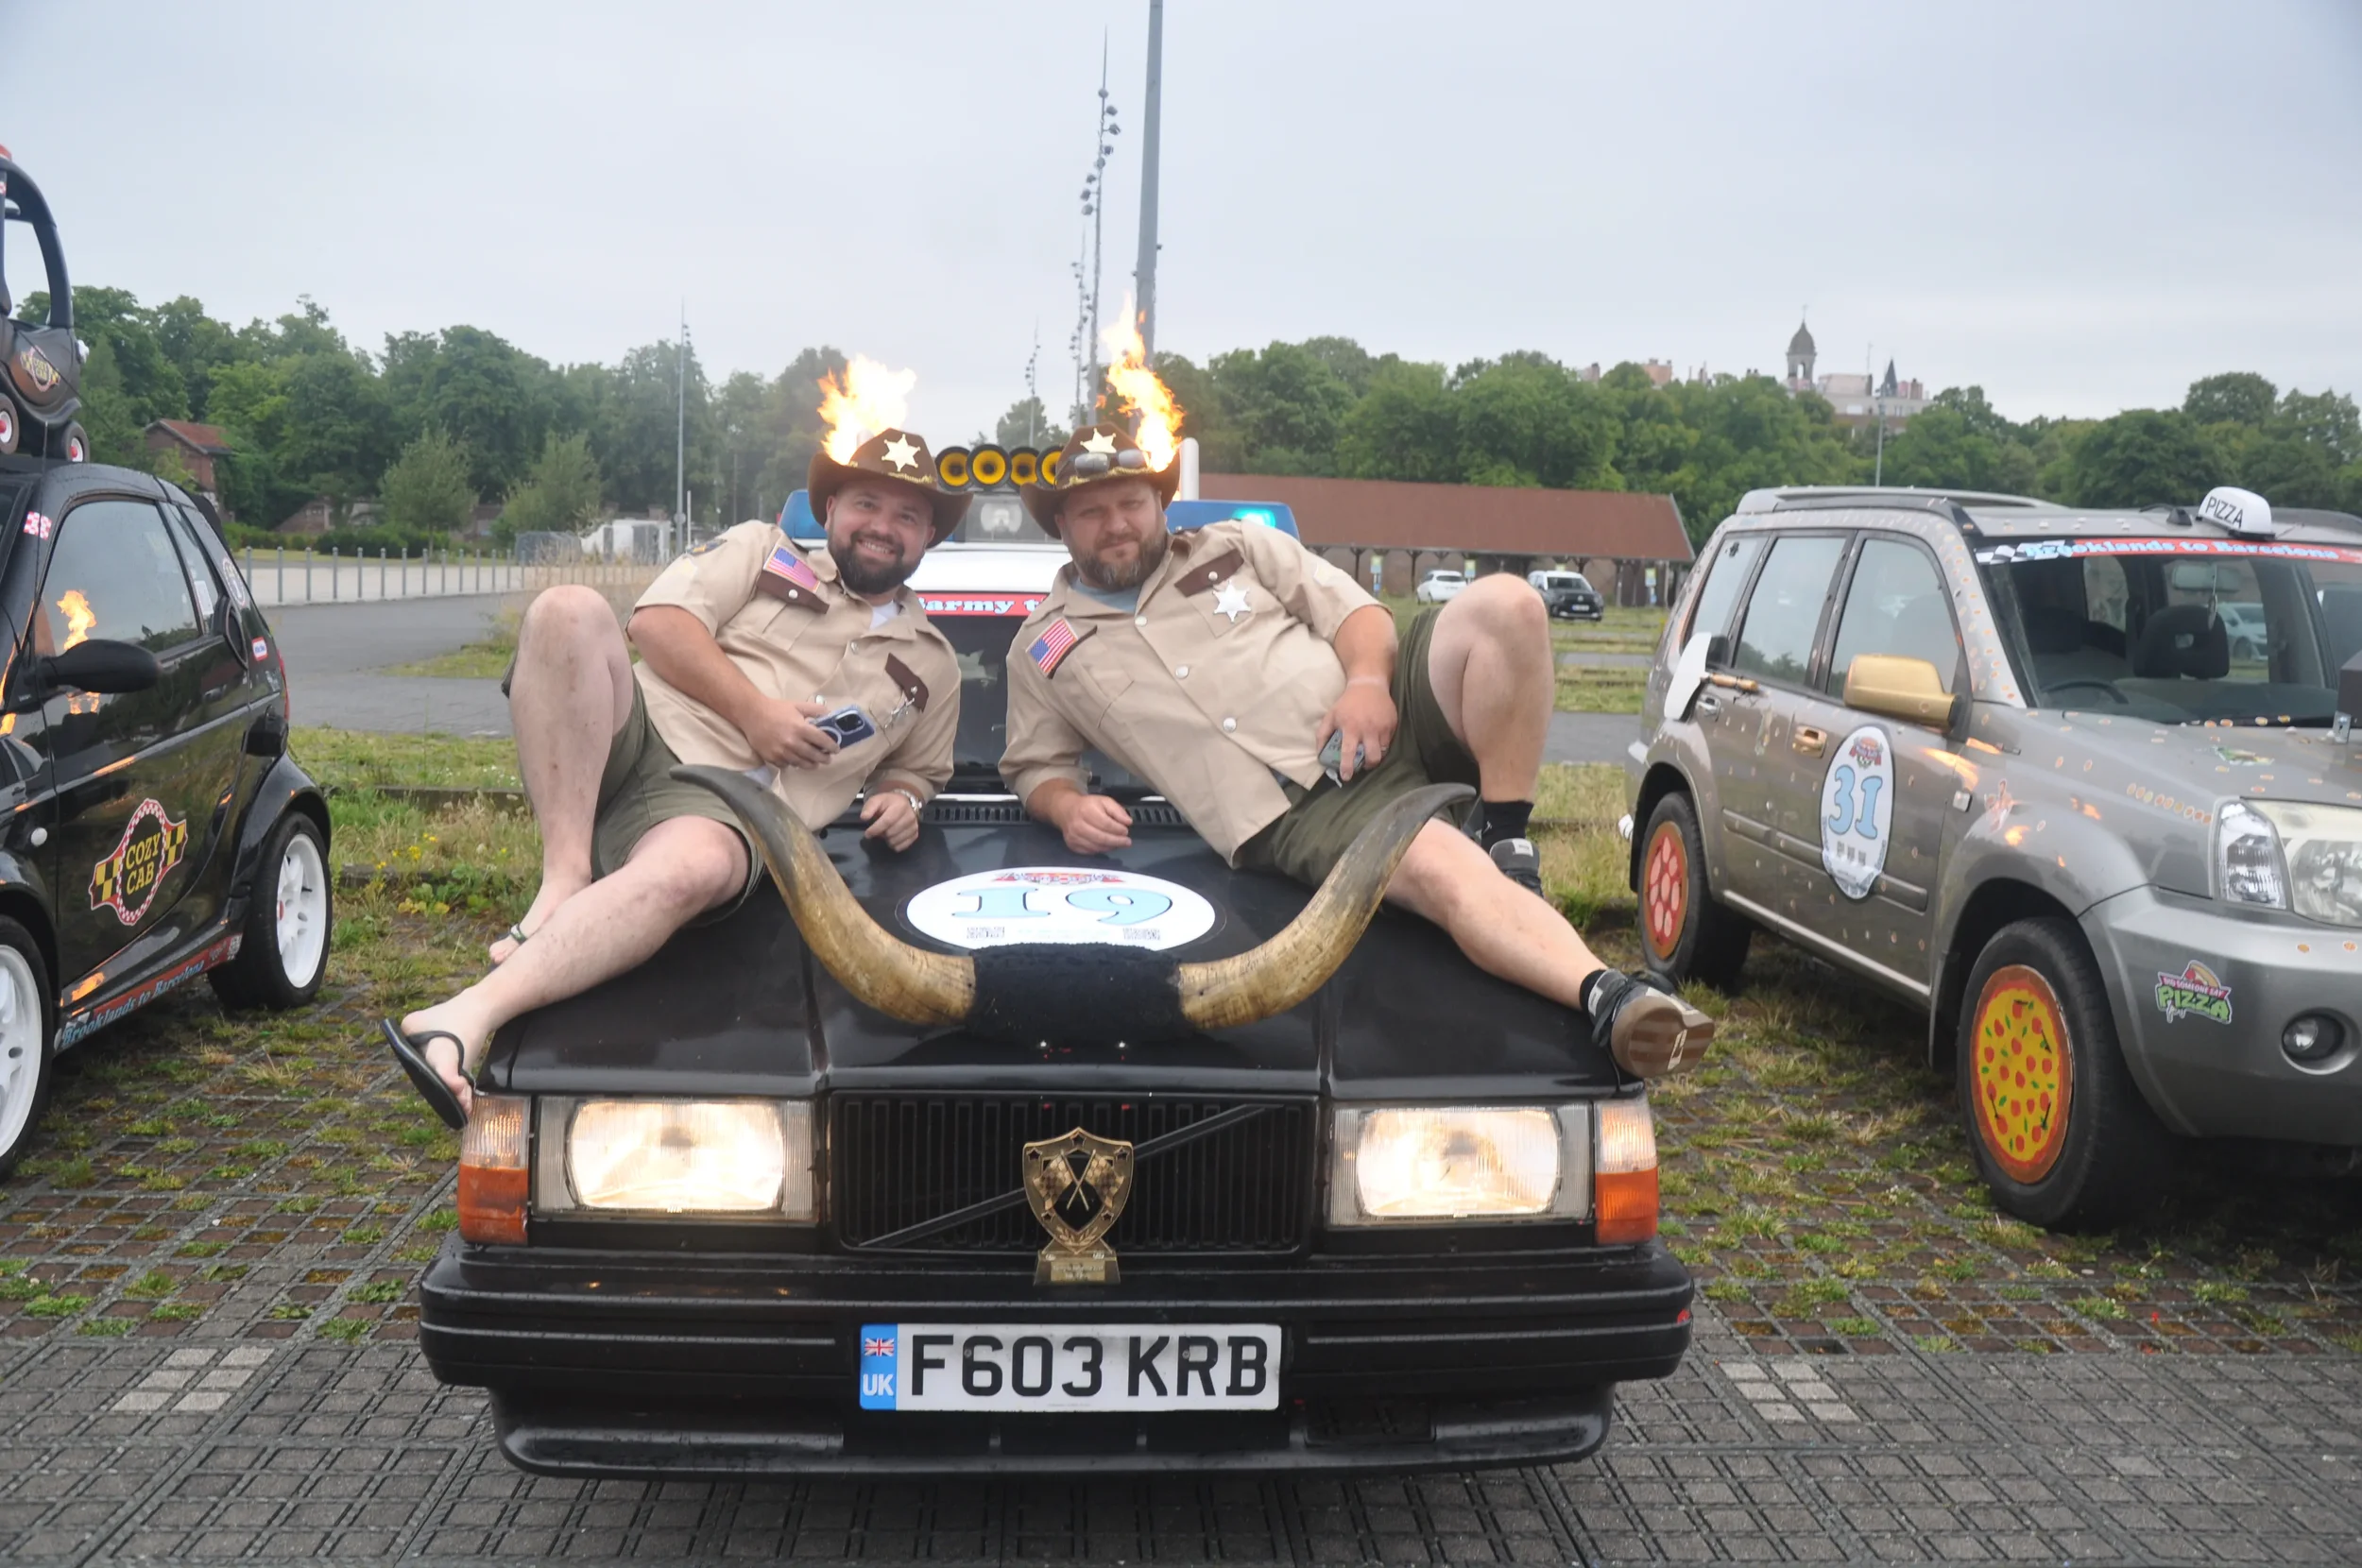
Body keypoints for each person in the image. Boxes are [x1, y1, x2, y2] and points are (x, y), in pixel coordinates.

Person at [998, 423, 1713, 1079]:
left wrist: (1369, 682)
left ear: (1160, 504)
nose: (1117, 525)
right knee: (1442, 867)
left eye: (1132, 503)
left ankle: (1508, 842)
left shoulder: (1237, 546)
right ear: (1062, 525)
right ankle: (1611, 999)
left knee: (1510, 606)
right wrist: (1065, 808)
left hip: (1378, 702)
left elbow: (1355, 612)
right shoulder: (1044, 647)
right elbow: (1035, 766)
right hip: (1300, 802)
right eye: (1093, 512)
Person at [385, 429, 967, 1125]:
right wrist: (756, 714)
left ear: (929, 533)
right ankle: (564, 878)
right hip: (629, 730)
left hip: (729, 810)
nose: (883, 527)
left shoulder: (934, 663)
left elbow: (920, 770)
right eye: (868, 504)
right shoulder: (760, 549)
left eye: (907, 516)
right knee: (565, 609)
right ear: (833, 506)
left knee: (697, 865)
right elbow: (657, 623)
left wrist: (904, 797)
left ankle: (458, 1019)